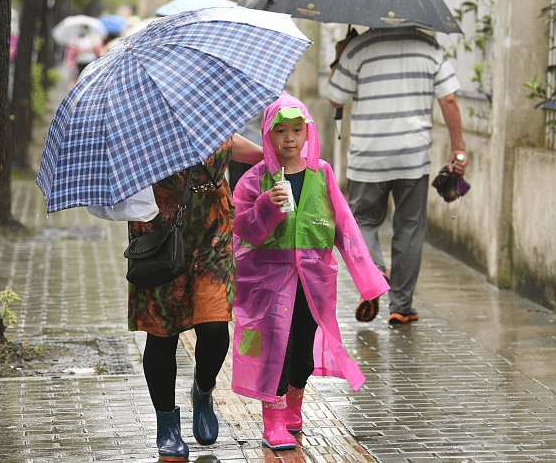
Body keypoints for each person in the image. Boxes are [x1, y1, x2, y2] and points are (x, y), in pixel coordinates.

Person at [231, 92, 389, 450]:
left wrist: (368, 278)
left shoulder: (322, 174)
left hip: (312, 281)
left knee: (302, 350)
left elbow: (344, 226)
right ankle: (272, 421)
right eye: (280, 130)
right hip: (268, 285)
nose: (289, 138)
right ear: (267, 135)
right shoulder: (256, 180)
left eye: (296, 130)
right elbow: (244, 230)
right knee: (274, 352)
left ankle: (294, 406)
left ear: (307, 133)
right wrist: (265, 207)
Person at [129, 134, 262, 462]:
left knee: (215, 327)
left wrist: (278, 153)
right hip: (159, 235)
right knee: (162, 334)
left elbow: (239, 147)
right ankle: (167, 426)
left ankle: (203, 391)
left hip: (212, 234)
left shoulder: (207, 117)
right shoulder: (140, 127)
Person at [326, 26, 469, 325]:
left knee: (363, 220)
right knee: (409, 229)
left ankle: (375, 270)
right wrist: (458, 148)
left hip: (368, 157)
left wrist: (340, 57)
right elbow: (449, 100)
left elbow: (335, 98)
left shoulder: (359, 47)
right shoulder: (429, 47)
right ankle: (401, 307)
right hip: (412, 157)